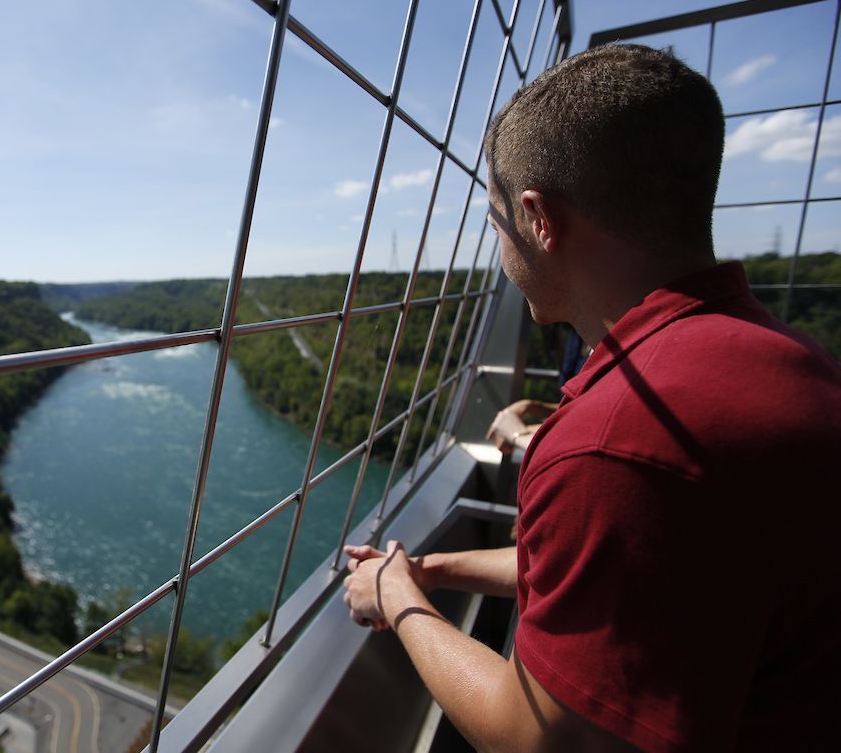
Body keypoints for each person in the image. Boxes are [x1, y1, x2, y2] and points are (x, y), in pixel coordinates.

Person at [341, 44, 841, 752]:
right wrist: (429, 571)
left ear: (539, 219)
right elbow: (624, 565)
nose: (502, 250)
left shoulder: (615, 443)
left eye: (496, 222)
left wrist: (397, 599)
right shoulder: (793, 359)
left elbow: (536, 738)